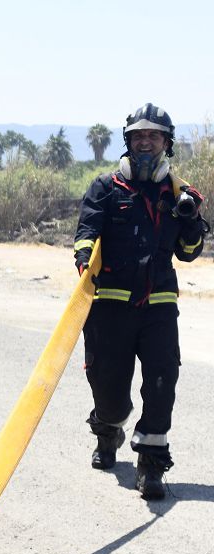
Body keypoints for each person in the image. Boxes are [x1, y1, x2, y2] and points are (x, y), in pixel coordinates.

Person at [74, 103, 208, 500]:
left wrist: (191, 220)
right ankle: (107, 428)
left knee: (162, 383)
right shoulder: (106, 186)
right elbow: (86, 233)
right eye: (138, 135)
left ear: (167, 143)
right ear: (128, 142)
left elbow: (188, 252)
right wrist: (84, 261)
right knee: (110, 392)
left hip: (159, 307)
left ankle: (151, 464)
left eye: (153, 135)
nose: (145, 141)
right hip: (110, 307)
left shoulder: (180, 194)